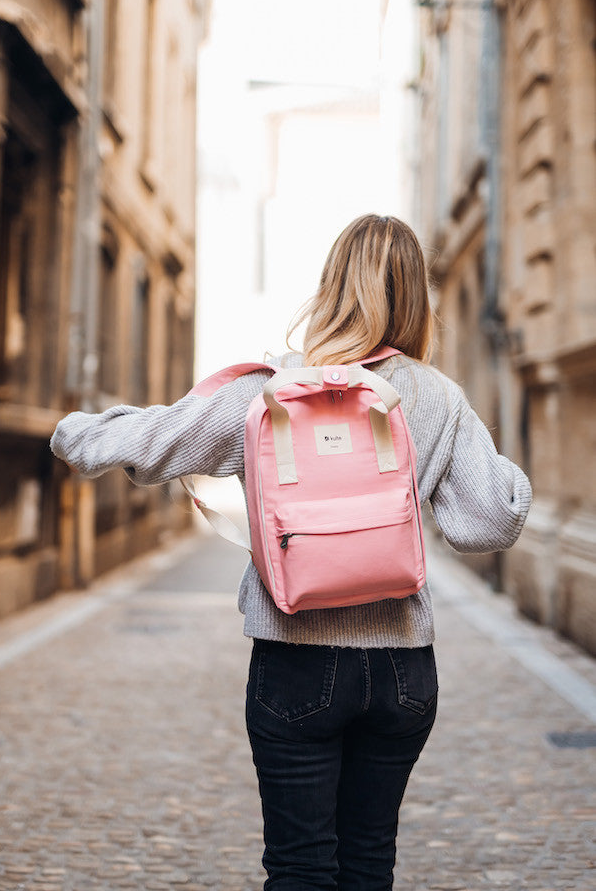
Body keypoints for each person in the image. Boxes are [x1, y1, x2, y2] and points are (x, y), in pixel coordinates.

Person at [51, 214, 532, 891]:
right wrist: (496, 466)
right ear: (416, 298)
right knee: (368, 864)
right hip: (401, 671)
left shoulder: (268, 394)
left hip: (296, 663)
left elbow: (150, 443)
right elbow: (489, 521)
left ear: (331, 286)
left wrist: (71, 432)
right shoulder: (434, 397)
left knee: (300, 868)